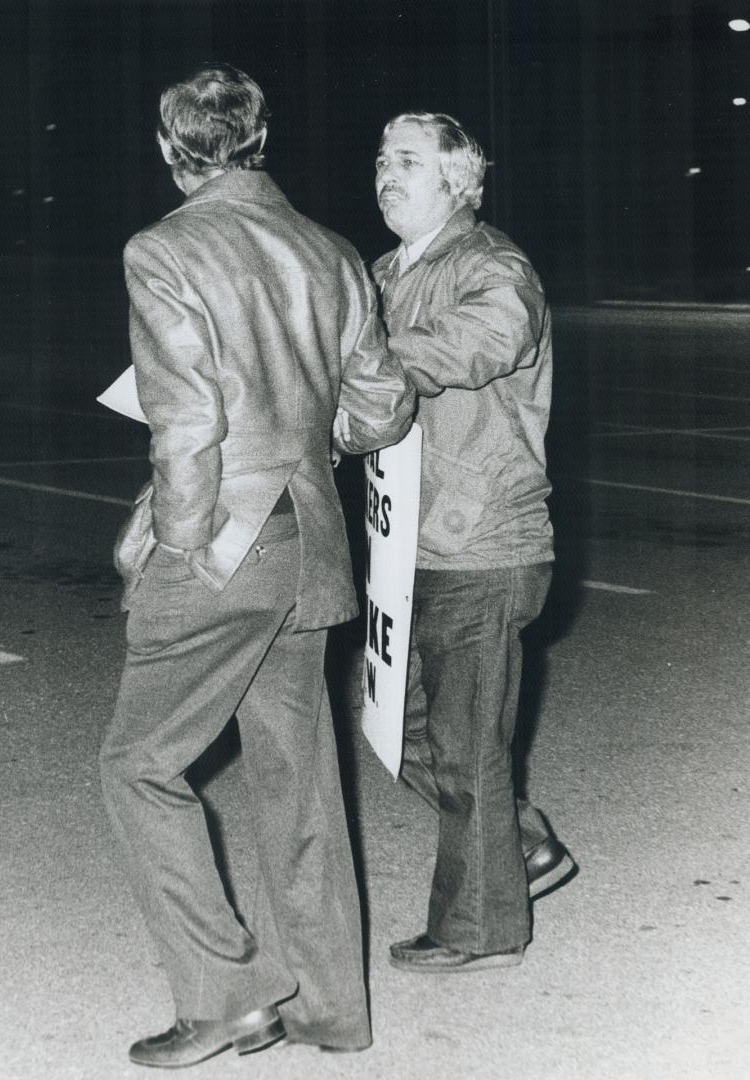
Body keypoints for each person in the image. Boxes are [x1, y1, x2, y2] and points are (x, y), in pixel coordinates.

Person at [99, 65, 414, 1068]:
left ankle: (226, 996)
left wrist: (184, 543)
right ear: (261, 134)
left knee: (138, 767)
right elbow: (384, 408)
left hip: (227, 543)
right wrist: (318, 434)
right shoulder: (329, 253)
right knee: (298, 781)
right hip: (312, 542)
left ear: (169, 146)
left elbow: (186, 421)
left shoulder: (165, 249)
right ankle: (331, 1009)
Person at [371, 111, 575, 973]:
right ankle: (520, 843)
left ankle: (481, 930)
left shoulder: (493, 266)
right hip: (412, 543)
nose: (386, 172)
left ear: (460, 180)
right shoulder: (383, 270)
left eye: (408, 160)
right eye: (381, 158)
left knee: (462, 737)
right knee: (397, 727)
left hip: (484, 537)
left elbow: (488, 336)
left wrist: (367, 362)